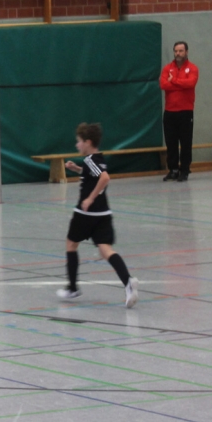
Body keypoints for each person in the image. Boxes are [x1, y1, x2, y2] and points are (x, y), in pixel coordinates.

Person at [58, 123, 138, 308]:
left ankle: (72, 288)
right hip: (104, 213)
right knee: (106, 250)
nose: (77, 145)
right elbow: (93, 174)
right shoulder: (97, 159)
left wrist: (89, 198)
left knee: (71, 244)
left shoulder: (90, 161)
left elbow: (104, 178)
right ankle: (128, 282)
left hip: (86, 213)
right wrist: (77, 169)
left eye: (79, 141)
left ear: (88, 142)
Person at [159, 41, 199, 182]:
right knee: (171, 143)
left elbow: (191, 83)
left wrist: (174, 81)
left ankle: (185, 170)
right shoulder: (167, 68)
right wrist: (180, 84)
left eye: (181, 51)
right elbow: (163, 84)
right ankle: (173, 170)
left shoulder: (192, 68)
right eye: (176, 51)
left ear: (186, 52)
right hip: (170, 112)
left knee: (185, 142)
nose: (178, 53)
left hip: (186, 112)